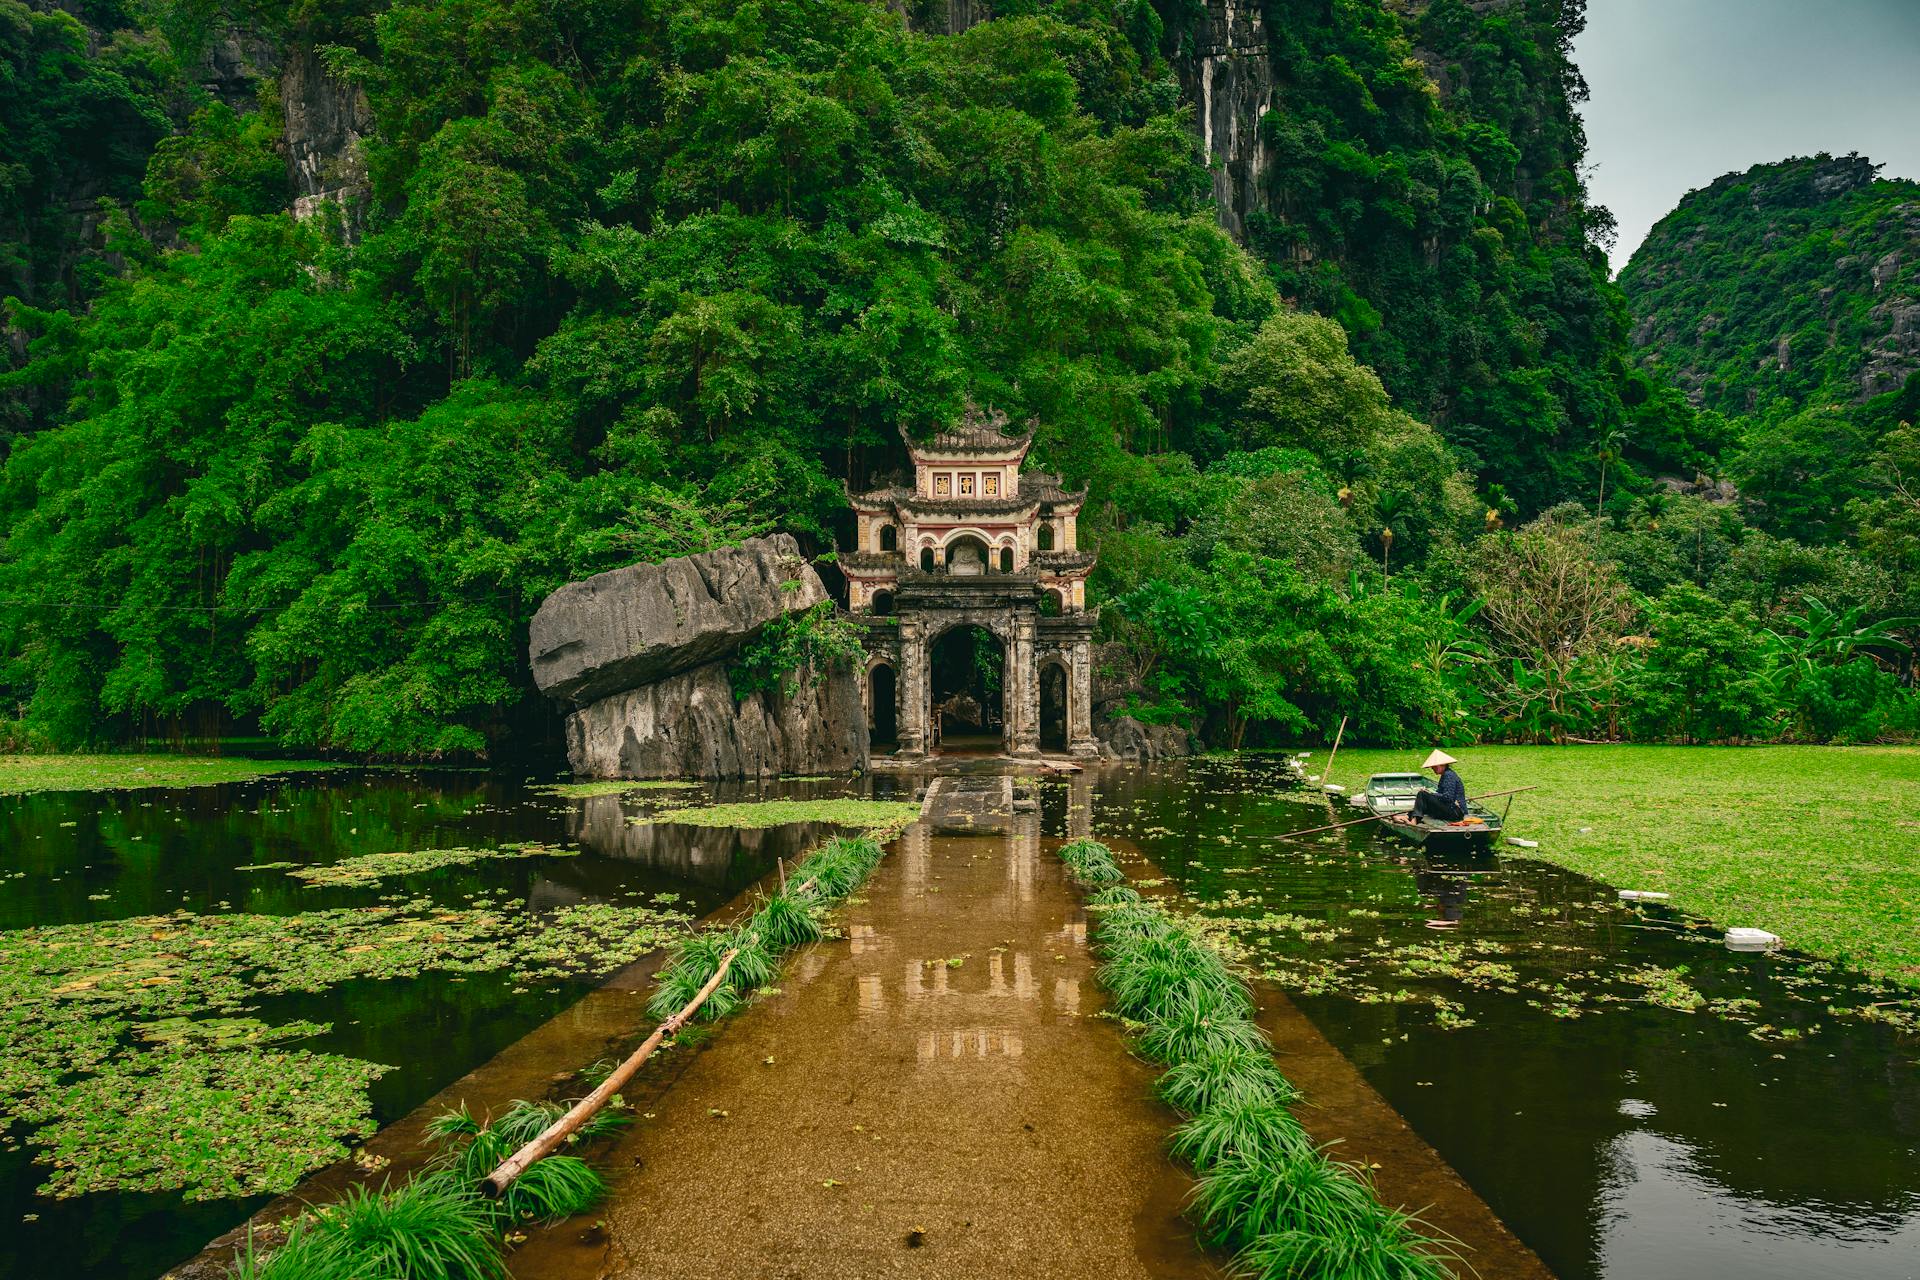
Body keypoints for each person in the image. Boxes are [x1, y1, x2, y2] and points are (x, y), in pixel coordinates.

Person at [1409, 749, 1467, 824]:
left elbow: (1448, 797)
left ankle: (1414, 820)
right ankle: (1410, 816)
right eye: (1432, 767)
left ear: (1443, 765)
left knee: (1422, 794)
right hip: (1451, 810)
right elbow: (1440, 795)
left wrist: (1429, 794)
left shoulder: (1449, 775)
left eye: (1435, 767)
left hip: (1456, 812)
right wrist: (1430, 795)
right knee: (1423, 801)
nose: (1433, 769)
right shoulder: (1445, 775)